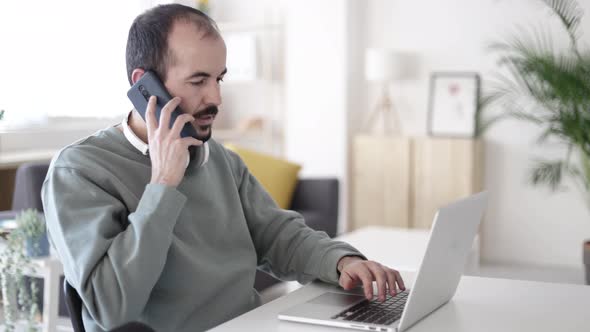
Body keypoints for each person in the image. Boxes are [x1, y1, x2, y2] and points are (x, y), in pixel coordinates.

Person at [41, 4, 405, 332]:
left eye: (219, 79)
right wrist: (164, 184)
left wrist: (340, 261)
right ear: (143, 84)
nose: (215, 98)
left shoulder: (219, 158)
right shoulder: (79, 171)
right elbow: (111, 309)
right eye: (198, 81)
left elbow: (277, 234)